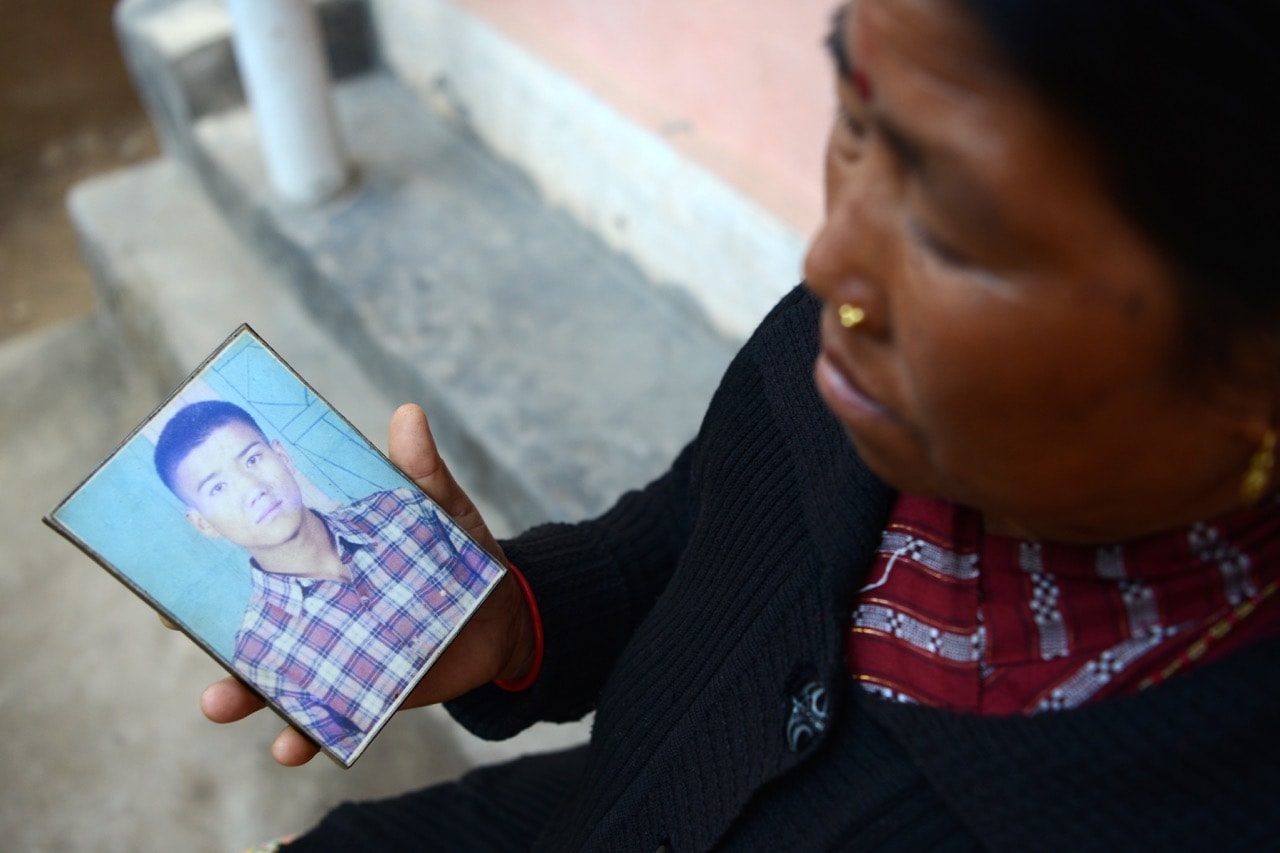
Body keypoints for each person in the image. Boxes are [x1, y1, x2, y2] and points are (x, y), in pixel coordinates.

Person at [203, 0, 1280, 848]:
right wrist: (512, 623)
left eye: (953, 232)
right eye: (856, 123)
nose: (829, 263)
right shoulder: (846, 374)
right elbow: (676, 548)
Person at [154, 400, 504, 762]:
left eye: (253, 460)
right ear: (203, 523)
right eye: (217, 489)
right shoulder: (263, 659)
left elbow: (496, 596)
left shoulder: (403, 510)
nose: (251, 488)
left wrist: (516, 637)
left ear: (283, 457)